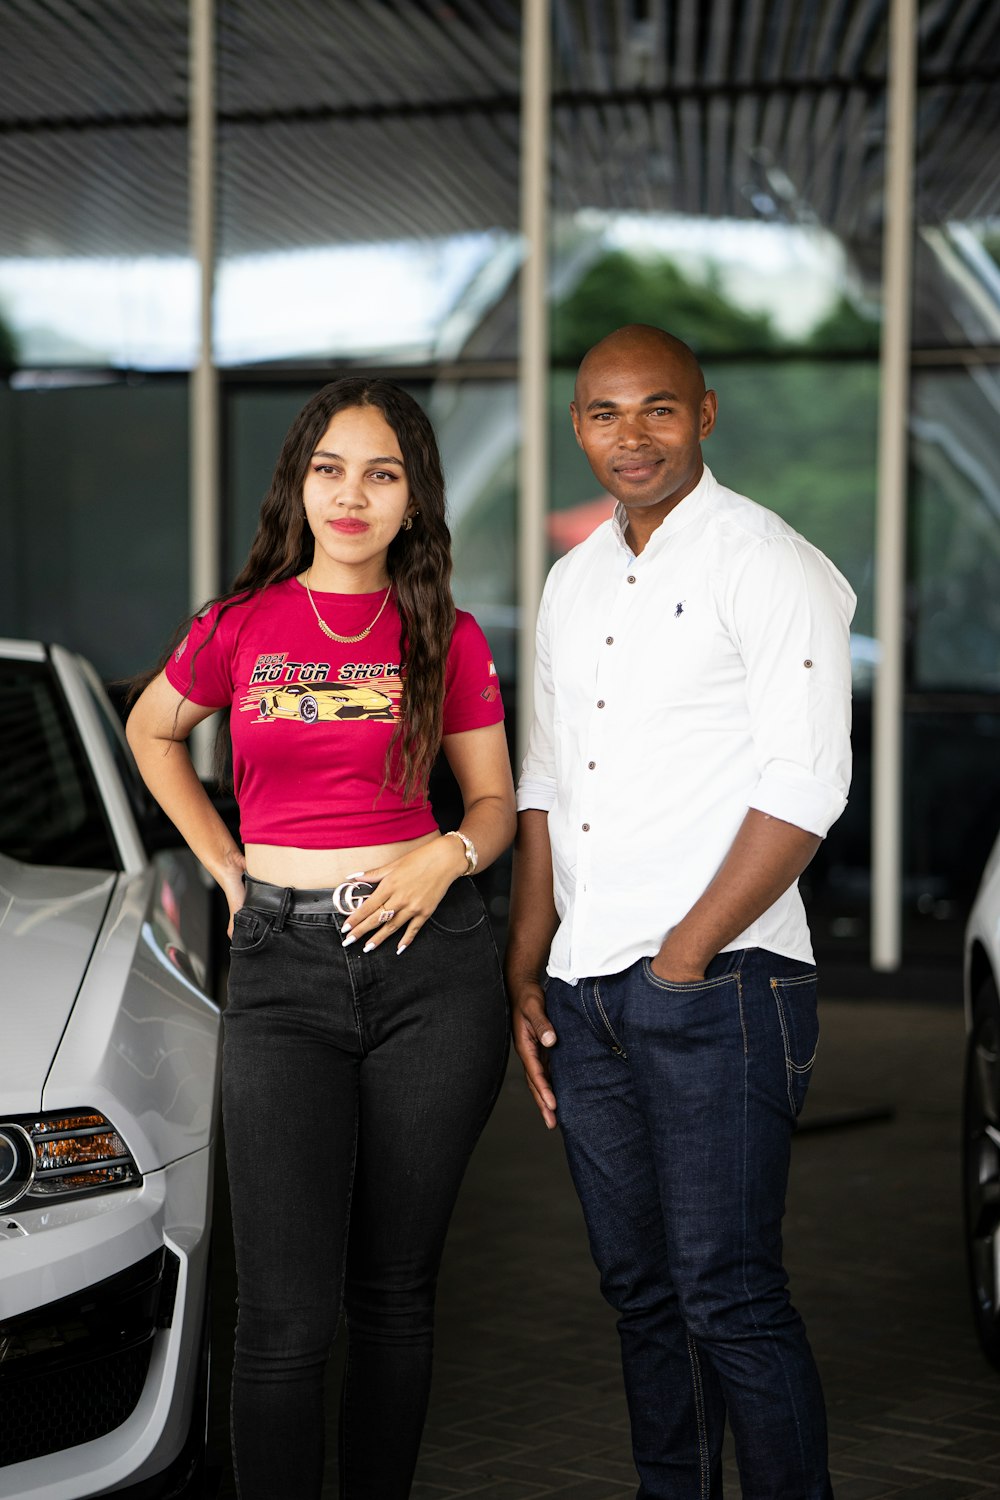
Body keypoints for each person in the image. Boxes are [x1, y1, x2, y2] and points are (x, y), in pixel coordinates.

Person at [127, 377, 515, 1500]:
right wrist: (222, 861)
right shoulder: (238, 625)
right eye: (331, 469)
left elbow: (492, 807)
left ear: (412, 499)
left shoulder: (449, 635)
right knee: (282, 1316)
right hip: (283, 972)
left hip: (432, 976)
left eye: (381, 473)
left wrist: (447, 852)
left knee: (393, 1292)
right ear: (300, 485)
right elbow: (154, 731)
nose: (352, 495)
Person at [505, 324, 854, 1499]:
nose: (631, 435)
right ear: (577, 427)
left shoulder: (769, 561)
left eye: (658, 409)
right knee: (642, 1295)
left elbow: (808, 786)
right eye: (605, 413)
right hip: (584, 993)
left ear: (705, 415)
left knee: (730, 1297)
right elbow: (546, 778)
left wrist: (683, 959)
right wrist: (528, 959)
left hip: (721, 987)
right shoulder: (571, 578)